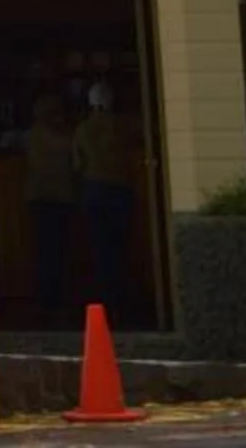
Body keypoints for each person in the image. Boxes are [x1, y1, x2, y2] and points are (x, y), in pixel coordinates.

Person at [74, 81, 137, 321]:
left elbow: (77, 163)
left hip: (93, 189)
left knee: (99, 246)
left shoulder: (83, 129)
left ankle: (104, 299)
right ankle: (120, 298)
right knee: (120, 246)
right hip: (120, 187)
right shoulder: (122, 126)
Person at [24, 92, 79, 327]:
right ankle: (52, 303)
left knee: (49, 251)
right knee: (53, 252)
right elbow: (71, 146)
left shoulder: (34, 135)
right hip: (53, 199)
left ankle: (49, 302)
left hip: (44, 198)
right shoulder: (44, 135)